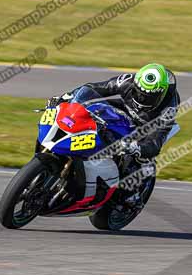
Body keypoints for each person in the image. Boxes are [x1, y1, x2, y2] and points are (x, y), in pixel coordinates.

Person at [47, 63, 180, 199]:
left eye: (148, 97)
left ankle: (124, 192)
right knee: (88, 112)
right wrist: (68, 97)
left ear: (161, 95)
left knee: (140, 158)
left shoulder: (168, 109)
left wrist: (136, 147)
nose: (141, 98)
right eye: (139, 93)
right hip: (121, 109)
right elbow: (93, 88)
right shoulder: (127, 81)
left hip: (144, 127)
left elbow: (155, 142)